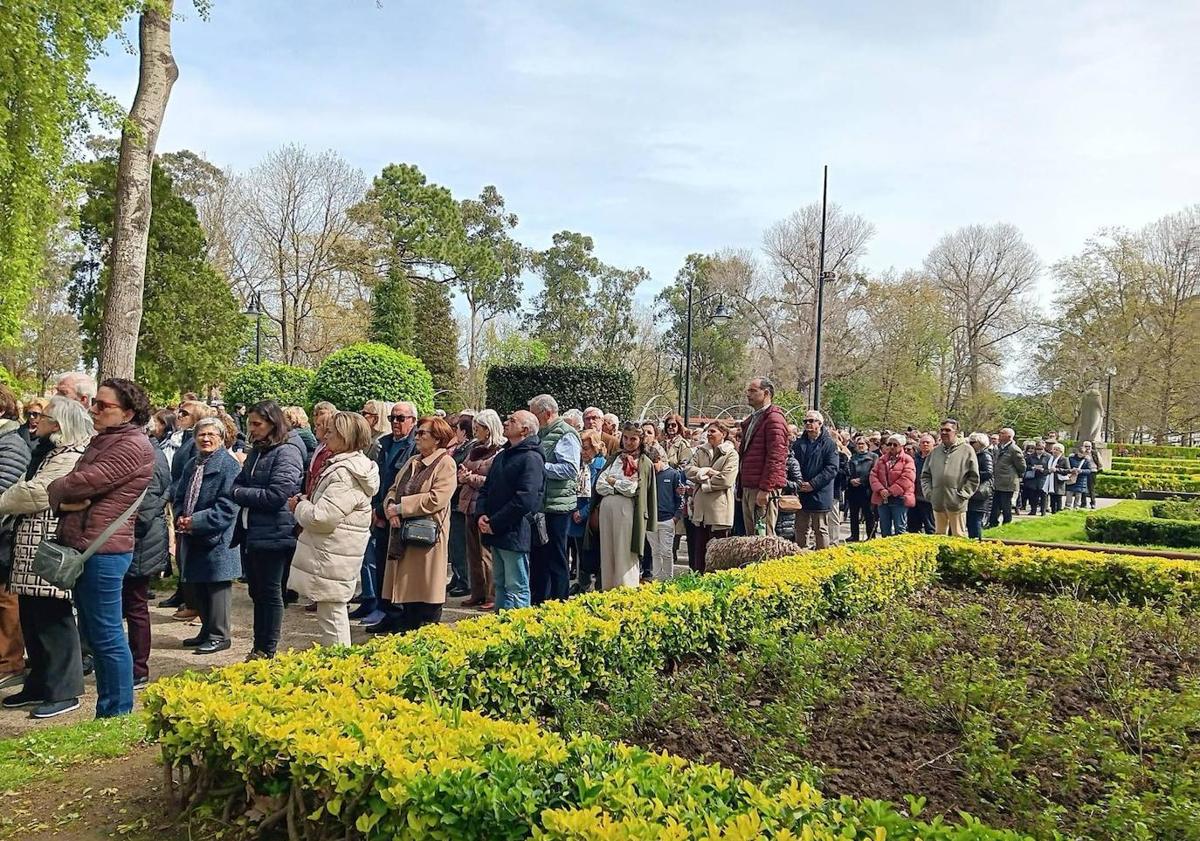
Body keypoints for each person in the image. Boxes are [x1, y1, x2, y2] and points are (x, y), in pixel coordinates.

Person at [47, 378, 155, 718]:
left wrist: (56, 488)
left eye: (103, 405)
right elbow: (76, 490)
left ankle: (116, 712)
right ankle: (110, 710)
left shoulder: (132, 445)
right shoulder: (108, 439)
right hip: (90, 546)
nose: (93, 409)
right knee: (98, 631)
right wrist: (64, 501)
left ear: (128, 412)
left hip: (104, 552)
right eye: (94, 402)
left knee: (107, 634)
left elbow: (81, 482)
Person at [0, 397, 91, 717]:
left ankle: (65, 689)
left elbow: (35, 492)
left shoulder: (72, 455)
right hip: (29, 546)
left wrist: (2, 500)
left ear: (61, 424)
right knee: (32, 617)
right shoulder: (52, 452)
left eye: (45, 416)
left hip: (48, 545)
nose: (35, 420)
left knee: (54, 617)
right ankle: (39, 682)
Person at [287, 412, 379, 646]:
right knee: (331, 611)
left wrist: (299, 506)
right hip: (335, 550)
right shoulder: (350, 466)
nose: (325, 437)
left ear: (345, 437)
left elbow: (322, 518)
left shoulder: (344, 473)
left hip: (333, 551)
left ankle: (341, 668)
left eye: (331, 432)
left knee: (333, 613)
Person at [230, 400, 304, 660]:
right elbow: (238, 481)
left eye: (257, 424)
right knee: (257, 592)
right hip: (254, 531)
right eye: (250, 423)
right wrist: (240, 491)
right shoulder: (258, 450)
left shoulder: (287, 451)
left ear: (273, 423)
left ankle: (266, 649)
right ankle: (257, 646)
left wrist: (240, 493)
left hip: (276, 532)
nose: (252, 428)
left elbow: (276, 495)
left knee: (271, 593)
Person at [375, 416, 457, 633]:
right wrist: (390, 507)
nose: (417, 437)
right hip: (403, 533)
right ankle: (406, 623)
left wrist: (401, 508)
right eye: (418, 433)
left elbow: (437, 498)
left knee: (426, 589)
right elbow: (393, 488)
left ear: (437, 439)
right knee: (408, 587)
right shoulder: (414, 461)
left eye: (422, 433)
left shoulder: (446, 463)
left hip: (426, 535)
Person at [174, 417, 241, 655]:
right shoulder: (193, 463)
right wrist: (180, 516)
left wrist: (198, 521)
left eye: (212, 434)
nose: (206, 439)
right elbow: (179, 494)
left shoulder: (229, 465)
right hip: (192, 534)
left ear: (222, 439)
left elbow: (228, 506)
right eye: (201, 435)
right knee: (199, 586)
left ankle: (219, 635)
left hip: (218, 537)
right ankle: (206, 629)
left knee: (216, 588)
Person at [352, 401, 417, 627]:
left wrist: (387, 509)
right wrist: (376, 509)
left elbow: (405, 484)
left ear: (413, 421)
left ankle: (395, 612)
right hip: (380, 509)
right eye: (392, 418)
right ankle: (383, 608)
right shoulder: (384, 444)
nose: (396, 423)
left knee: (397, 566)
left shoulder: (414, 447)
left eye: (401, 418)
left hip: (399, 513)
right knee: (380, 561)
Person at [476, 411, 545, 610]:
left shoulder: (531, 458)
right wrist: (481, 515)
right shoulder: (503, 455)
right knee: (500, 583)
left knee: (516, 585)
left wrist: (494, 523)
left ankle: (517, 631)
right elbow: (486, 488)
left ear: (525, 430)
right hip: (496, 529)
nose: (505, 422)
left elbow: (526, 499)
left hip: (514, 531)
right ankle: (501, 626)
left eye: (512, 421)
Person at [123, 439, 171, 688]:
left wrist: (124, 530)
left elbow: (151, 499)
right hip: (127, 537)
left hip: (139, 539)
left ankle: (138, 668)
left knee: (136, 606)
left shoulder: (149, 451)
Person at [528, 394, 580, 604]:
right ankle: (539, 602)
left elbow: (570, 469)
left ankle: (559, 602)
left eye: (534, 415)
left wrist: (540, 467)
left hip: (557, 507)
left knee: (556, 557)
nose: (532, 420)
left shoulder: (566, 434)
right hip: (541, 505)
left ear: (547, 413)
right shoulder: (541, 433)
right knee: (539, 558)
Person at [593, 423, 657, 590]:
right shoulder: (614, 458)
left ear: (641, 440)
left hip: (627, 511)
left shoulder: (644, 462)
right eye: (626, 438)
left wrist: (613, 482)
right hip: (606, 511)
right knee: (607, 553)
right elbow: (600, 484)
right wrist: (618, 485)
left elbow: (633, 489)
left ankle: (625, 590)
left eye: (633, 439)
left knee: (625, 553)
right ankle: (607, 589)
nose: (628, 442)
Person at [0, 385, 32, 691]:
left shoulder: (11, 443)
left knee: (6, 602)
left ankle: (10, 663)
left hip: (5, 534)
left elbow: (5, 489)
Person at [456, 410, 504, 609]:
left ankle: (491, 595)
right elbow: (465, 469)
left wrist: (470, 479)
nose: (475, 430)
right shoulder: (475, 448)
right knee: (472, 552)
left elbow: (495, 481)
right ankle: (477, 592)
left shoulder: (500, 451)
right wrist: (462, 475)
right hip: (468, 504)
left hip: (484, 506)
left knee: (486, 554)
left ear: (489, 428)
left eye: (480, 427)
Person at [685, 421, 739, 572]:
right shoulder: (700, 451)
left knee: (718, 554)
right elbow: (688, 470)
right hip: (700, 511)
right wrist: (707, 471)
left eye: (713, 431)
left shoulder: (731, 454)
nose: (709, 434)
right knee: (699, 552)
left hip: (719, 512)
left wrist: (704, 482)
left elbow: (727, 479)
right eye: (708, 431)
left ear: (723, 434)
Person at [738, 377, 789, 537]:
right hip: (749, 485)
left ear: (766, 393)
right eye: (748, 391)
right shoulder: (754, 418)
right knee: (752, 537)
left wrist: (766, 489)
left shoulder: (774, 419)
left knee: (764, 538)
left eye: (753, 391)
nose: (748, 394)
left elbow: (777, 457)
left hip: (762, 488)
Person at [919, 419, 980, 537]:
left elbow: (973, 477)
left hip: (956, 503)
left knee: (958, 537)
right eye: (942, 430)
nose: (944, 433)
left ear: (956, 432)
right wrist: (929, 494)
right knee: (939, 537)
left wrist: (962, 495)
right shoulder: (935, 452)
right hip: (938, 502)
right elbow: (925, 476)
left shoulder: (967, 450)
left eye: (948, 430)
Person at [791, 410, 839, 549]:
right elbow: (792, 464)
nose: (808, 424)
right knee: (800, 528)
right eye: (805, 421)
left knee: (820, 529)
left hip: (820, 492)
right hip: (802, 491)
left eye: (811, 421)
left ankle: (822, 557)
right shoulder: (798, 444)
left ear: (820, 423)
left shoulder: (829, 444)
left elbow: (832, 468)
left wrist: (813, 484)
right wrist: (798, 483)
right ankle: (800, 557)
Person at [569, 430, 606, 593]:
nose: (583, 452)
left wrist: (583, 512)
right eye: (581, 448)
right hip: (575, 513)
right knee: (580, 553)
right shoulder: (579, 464)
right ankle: (582, 584)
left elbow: (597, 492)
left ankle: (598, 584)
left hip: (592, 516)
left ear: (595, 447)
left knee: (595, 552)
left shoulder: (601, 465)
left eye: (586, 448)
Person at [446, 413, 475, 599]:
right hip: (455, 500)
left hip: (460, 501)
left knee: (460, 544)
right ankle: (458, 576)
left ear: (463, 431)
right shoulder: (460, 447)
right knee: (455, 543)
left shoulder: (469, 449)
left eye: (456, 429)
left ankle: (465, 580)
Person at [649, 448, 685, 581]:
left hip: (667, 519)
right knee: (655, 551)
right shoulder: (649, 475)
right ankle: (657, 578)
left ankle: (668, 579)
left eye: (653, 465)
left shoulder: (673, 474)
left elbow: (680, 497)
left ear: (658, 460)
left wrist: (676, 517)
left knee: (666, 551)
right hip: (652, 520)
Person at [870, 434, 916, 536]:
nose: (891, 447)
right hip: (883, 498)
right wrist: (881, 490)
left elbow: (907, 478)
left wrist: (890, 491)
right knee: (884, 529)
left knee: (900, 529)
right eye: (889, 444)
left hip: (899, 499)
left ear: (902, 446)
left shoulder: (908, 460)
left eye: (895, 444)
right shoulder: (882, 459)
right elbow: (873, 475)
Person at [987, 427, 1026, 528]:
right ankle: (992, 524)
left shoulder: (1014, 449)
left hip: (1007, 483)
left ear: (1009, 437)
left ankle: (1006, 525)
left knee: (1006, 506)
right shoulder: (999, 447)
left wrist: (1013, 475)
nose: (999, 435)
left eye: (1002, 433)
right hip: (997, 482)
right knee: (995, 505)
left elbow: (1022, 467)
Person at [845, 435, 878, 542]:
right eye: (858, 444)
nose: (860, 446)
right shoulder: (853, 458)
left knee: (869, 514)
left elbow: (873, 472)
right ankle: (854, 535)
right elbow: (848, 471)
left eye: (862, 444)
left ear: (867, 445)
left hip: (866, 489)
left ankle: (870, 536)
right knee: (854, 514)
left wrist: (862, 480)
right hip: (853, 490)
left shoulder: (873, 457)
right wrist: (851, 480)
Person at [966, 433, 994, 539]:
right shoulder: (973, 454)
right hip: (971, 490)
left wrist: (972, 474)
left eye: (973, 442)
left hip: (980, 492)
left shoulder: (985, 455)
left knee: (976, 519)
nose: (970, 444)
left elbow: (988, 472)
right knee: (970, 520)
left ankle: (977, 543)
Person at [907, 434, 937, 534]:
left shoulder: (937, 459)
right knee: (913, 528)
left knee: (930, 528)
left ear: (933, 444)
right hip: (915, 498)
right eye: (923, 442)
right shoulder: (915, 459)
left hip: (929, 499)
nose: (925, 444)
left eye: (927, 442)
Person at [1023, 441, 1052, 516]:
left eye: (1041, 449)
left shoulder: (1048, 457)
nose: (1039, 451)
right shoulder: (1030, 456)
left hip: (1043, 478)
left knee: (1043, 495)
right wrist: (1032, 467)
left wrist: (1044, 470)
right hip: (1033, 477)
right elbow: (1026, 465)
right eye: (1038, 449)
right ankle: (1033, 510)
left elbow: (1050, 468)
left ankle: (1043, 511)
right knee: (1033, 495)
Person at [1065, 443, 1096, 510]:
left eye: (1083, 453)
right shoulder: (1071, 458)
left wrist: (1081, 471)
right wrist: (1071, 470)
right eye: (1080, 453)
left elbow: (1089, 470)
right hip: (1072, 479)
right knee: (1069, 494)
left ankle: (1076, 508)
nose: (1081, 454)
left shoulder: (1087, 460)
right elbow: (1067, 467)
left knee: (1078, 496)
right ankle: (1067, 507)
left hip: (1081, 480)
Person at [1046, 442, 1071, 514]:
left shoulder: (1064, 459)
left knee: (1058, 498)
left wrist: (1057, 470)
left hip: (1059, 482)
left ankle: (1059, 512)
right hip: (1051, 481)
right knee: (1052, 498)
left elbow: (1068, 470)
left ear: (1061, 451)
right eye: (1054, 449)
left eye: (1057, 450)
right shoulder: (1050, 459)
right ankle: (1053, 512)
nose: (1054, 451)